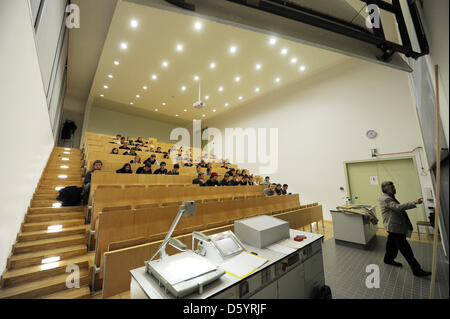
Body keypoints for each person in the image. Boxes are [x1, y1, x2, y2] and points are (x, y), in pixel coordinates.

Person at [379, 181, 430, 277]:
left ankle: (388, 259)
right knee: (405, 248)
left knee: (391, 244)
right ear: (386, 189)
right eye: (392, 187)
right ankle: (416, 270)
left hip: (392, 227)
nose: (394, 188)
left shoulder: (389, 197)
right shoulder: (386, 199)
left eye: (393, 186)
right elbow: (398, 208)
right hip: (394, 227)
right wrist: (413, 202)